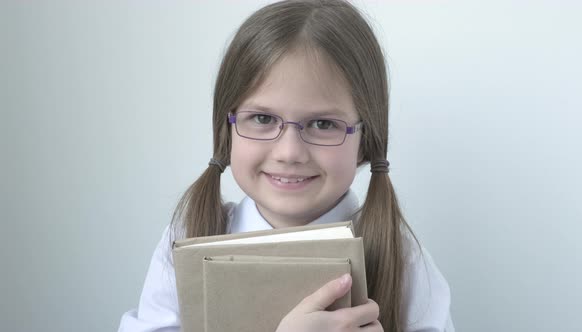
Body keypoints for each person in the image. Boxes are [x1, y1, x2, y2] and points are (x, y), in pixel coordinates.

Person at [118, 0, 454, 331]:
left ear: (366, 140)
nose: (290, 152)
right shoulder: (187, 236)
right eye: (262, 118)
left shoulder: (403, 259)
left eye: (323, 124)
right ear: (227, 128)